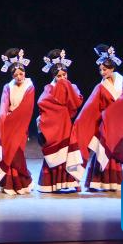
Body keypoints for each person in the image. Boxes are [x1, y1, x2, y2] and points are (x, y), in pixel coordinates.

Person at [71, 44, 123, 192]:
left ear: (112, 68)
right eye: (100, 70)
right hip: (106, 124)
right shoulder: (100, 87)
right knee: (103, 149)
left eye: (104, 69)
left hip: (118, 123)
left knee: (115, 150)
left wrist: (117, 117)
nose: (102, 72)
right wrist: (80, 122)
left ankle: (114, 181)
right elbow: (90, 107)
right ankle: (98, 182)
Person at [0, 48, 35, 195]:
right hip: (8, 125)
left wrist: (12, 114)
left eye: (21, 74)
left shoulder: (30, 86)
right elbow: (3, 107)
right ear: (12, 75)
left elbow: (27, 109)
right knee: (8, 152)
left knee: (17, 153)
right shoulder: (8, 87)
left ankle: (21, 182)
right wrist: (4, 121)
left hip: (21, 125)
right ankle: (6, 183)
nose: (19, 77)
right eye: (16, 75)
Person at [36, 49, 83, 192]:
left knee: (68, 153)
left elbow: (76, 103)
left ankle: (71, 182)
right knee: (55, 153)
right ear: (54, 76)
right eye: (59, 76)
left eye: (64, 75)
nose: (62, 78)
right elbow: (42, 103)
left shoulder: (71, 86)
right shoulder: (49, 88)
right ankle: (51, 184)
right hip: (54, 127)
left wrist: (67, 87)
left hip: (66, 126)